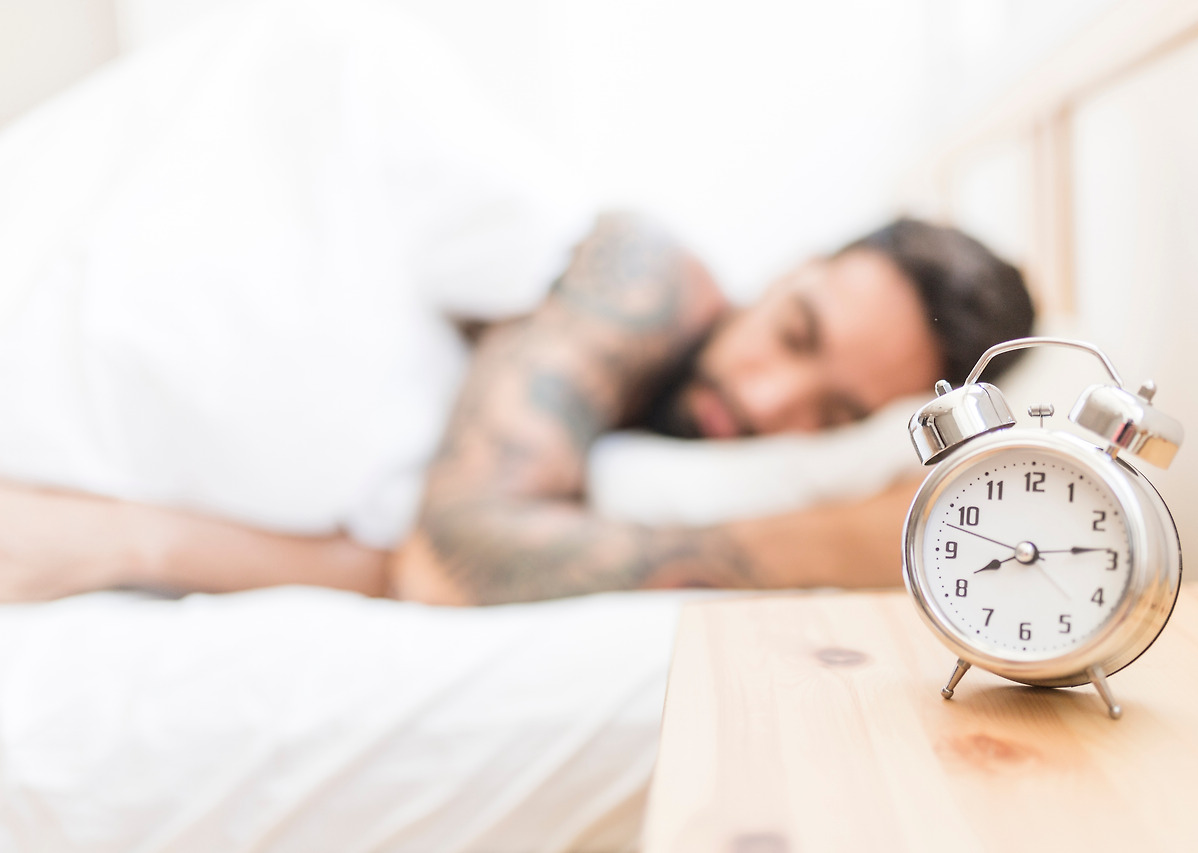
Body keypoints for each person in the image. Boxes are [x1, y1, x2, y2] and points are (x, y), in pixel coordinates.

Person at [0, 2, 1033, 605]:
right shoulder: (643, 271)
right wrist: (839, 545)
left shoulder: (580, 441)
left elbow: (408, 558)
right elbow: (452, 551)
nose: (767, 402)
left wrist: (129, 542)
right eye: (796, 332)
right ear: (784, 268)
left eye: (833, 417)